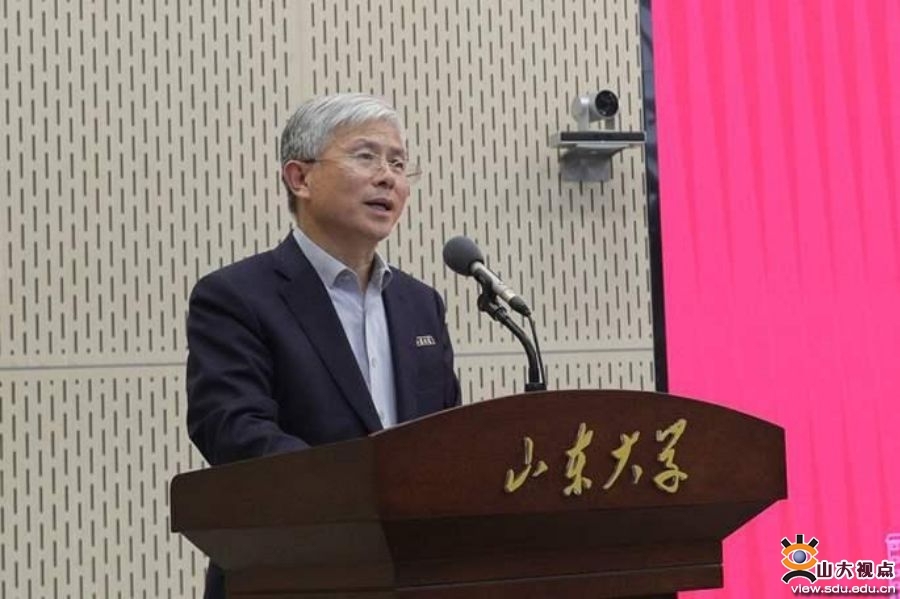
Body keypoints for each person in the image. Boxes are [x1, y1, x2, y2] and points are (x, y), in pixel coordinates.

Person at [185, 93, 461, 599]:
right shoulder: (236, 297)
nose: (388, 177)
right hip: (289, 573)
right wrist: (361, 494)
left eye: (399, 164)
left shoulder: (421, 304)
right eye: (366, 156)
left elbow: (446, 436)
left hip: (414, 573)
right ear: (300, 178)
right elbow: (234, 430)